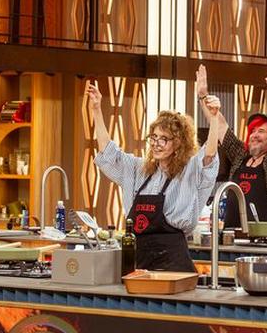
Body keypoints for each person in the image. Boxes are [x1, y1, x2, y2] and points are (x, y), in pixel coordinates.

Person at [86, 78, 224, 271]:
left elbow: (209, 155)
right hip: (139, 263)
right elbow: (109, 154)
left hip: (174, 265)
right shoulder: (139, 169)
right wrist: (96, 110)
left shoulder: (190, 171)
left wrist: (214, 118)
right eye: (154, 137)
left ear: (179, 144)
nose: (157, 144)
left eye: (164, 139)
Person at [198, 63, 267, 227]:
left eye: (261, 131)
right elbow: (220, 126)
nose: (254, 135)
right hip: (234, 233)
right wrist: (203, 96)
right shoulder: (241, 155)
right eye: (252, 131)